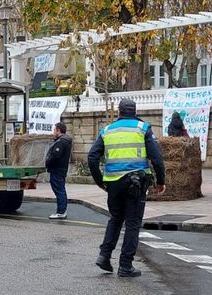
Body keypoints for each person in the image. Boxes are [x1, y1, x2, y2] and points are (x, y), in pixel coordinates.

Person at [87, 98, 166, 277]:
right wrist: (161, 181)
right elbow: (157, 158)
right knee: (132, 223)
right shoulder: (143, 128)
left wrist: (100, 181)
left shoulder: (106, 130)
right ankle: (125, 265)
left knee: (115, 219)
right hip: (135, 183)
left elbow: (92, 157)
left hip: (113, 184)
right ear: (135, 111)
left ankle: (104, 256)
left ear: (119, 113)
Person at [44, 122, 73, 220]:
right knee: (60, 190)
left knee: (59, 190)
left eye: (54, 130)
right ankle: (62, 211)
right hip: (61, 169)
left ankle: (61, 212)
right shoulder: (65, 141)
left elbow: (55, 156)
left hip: (57, 169)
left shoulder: (61, 142)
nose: (53, 132)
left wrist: (48, 162)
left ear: (58, 130)